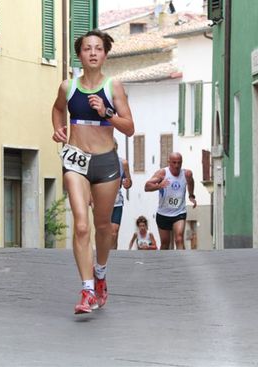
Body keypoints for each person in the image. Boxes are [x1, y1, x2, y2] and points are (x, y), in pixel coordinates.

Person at [51, 29, 134, 314]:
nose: (93, 53)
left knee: (103, 228)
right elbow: (58, 109)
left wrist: (107, 113)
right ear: (80, 54)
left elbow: (130, 128)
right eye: (88, 49)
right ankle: (86, 290)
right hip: (75, 159)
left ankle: (100, 273)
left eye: (98, 48)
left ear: (105, 54)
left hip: (105, 161)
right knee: (82, 224)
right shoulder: (67, 87)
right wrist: (58, 128)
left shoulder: (114, 87)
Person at [144, 152, 196, 250]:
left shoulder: (186, 174)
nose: (176, 166)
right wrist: (159, 186)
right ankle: (163, 263)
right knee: (165, 243)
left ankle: (182, 261)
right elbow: (146, 187)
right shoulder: (162, 173)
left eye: (179, 163)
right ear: (169, 162)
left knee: (179, 238)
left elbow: (191, 182)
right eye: (174, 162)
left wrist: (191, 195)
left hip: (179, 212)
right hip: (163, 213)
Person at [111, 138, 132, 249]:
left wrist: (127, 182)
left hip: (117, 202)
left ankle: (113, 256)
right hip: (102, 202)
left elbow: (128, 182)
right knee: (104, 232)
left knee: (114, 231)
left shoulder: (123, 163)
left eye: (114, 149)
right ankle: (103, 256)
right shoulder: (98, 163)